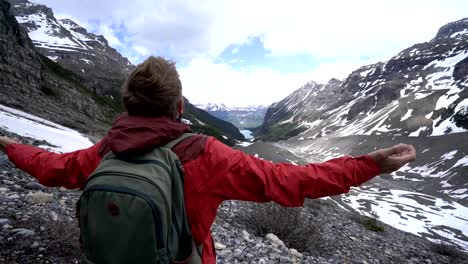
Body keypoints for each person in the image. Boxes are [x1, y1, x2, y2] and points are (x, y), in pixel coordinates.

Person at [0, 56, 416, 263]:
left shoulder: (106, 149)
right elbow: (290, 181)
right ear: (179, 105)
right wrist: (370, 164)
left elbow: (51, 167)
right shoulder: (204, 154)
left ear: (128, 104)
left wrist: (9, 146)